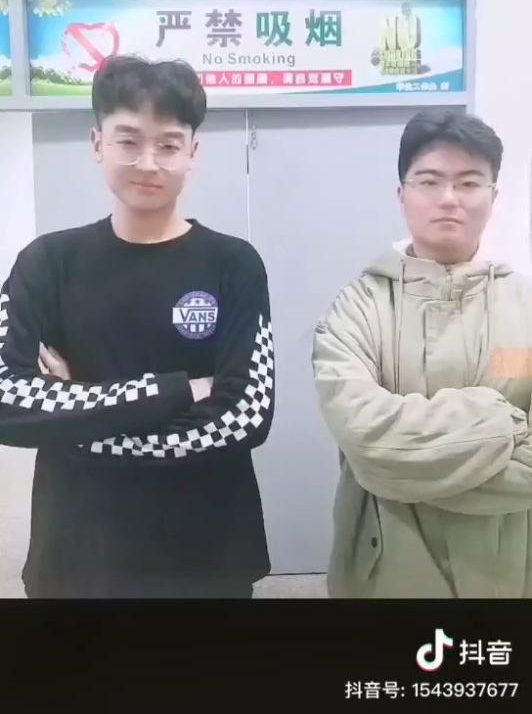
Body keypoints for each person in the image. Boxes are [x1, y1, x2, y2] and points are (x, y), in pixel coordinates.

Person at [0, 55, 274, 598]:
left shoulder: (234, 264)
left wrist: (76, 422)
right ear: (97, 142)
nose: (148, 162)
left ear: (192, 153)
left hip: (206, 553)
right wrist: (177, 391)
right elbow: (8, 401)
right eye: (128, 140)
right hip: (78, 550)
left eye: (168, 144)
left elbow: (245, 416)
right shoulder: (47, 263)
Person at [313, 109, 532, 599]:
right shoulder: (356, 308)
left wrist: (418, 465)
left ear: (493, 197)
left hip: (509, 567)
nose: (449, 198)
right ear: (402, 194)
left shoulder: (526, 306)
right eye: (430, 181)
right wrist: (504, 423)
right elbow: (368, 442)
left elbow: (394, 457)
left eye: (469, 182)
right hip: (386, 565)